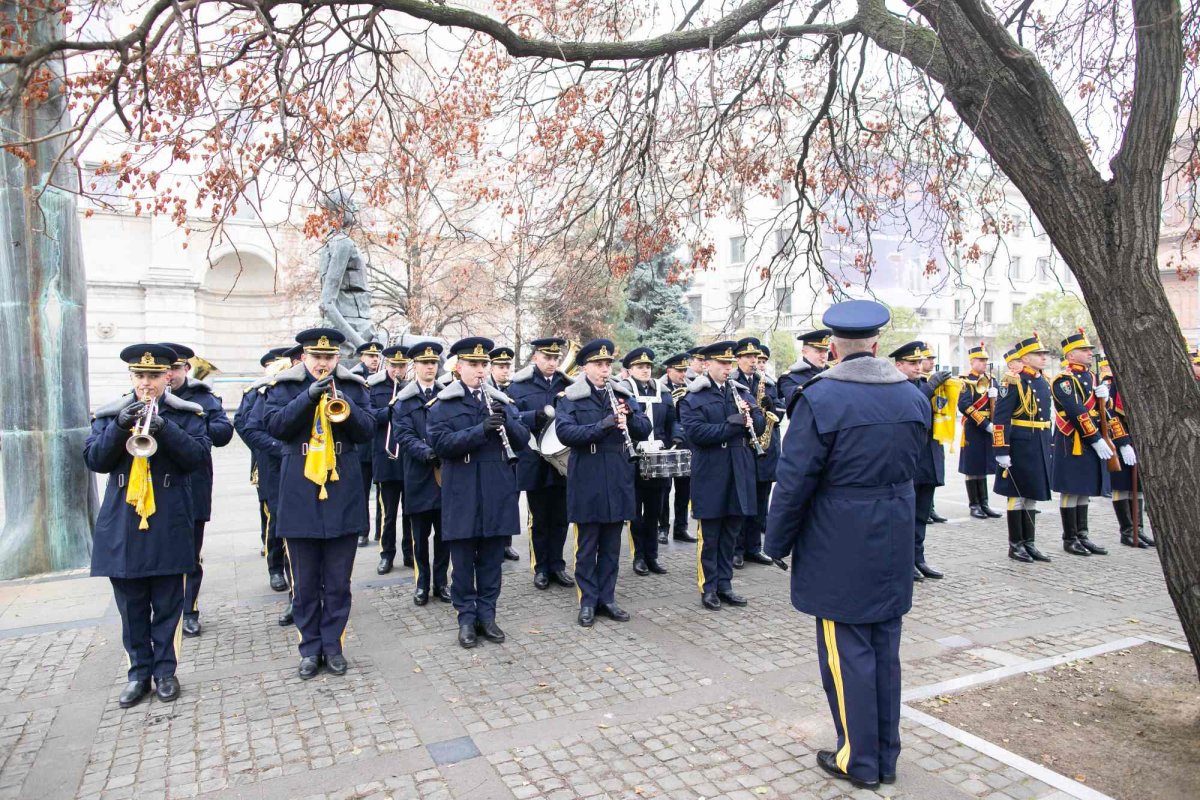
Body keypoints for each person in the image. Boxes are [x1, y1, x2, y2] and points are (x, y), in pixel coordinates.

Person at [764, 300, 928, 791]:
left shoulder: (821, 397)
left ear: (833, 348)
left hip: (838, 538)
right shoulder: (912, 396)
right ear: (876, 345)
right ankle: (885, 756)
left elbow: (794, 480)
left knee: (847, 654)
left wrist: (777, 541)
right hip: (894, 533)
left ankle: (859, 760)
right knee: (884, 651)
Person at [86, 344, 212, 707]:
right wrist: (120, 427)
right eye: (140, 375)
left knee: (169, 604)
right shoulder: (111, 414)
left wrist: (165, 428)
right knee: (132, 608)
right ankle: (138, 673)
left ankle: (166, 672)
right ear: (131, 377)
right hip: (123, 522)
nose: (147, 383)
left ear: (167, 376)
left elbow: (197, 458)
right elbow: (95, 459)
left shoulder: (186, 413)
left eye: (154, 376)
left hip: (168, 518)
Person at [263, 328, 374, 679]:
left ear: (337, 358)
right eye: (316, 357)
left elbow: (368, 430)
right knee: (305, 583)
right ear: (304, 358)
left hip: (343, 488)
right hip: (300, 488)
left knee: (338, 582)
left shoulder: (353, 386)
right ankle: (310, 648)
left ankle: (333, 645)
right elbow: (275, 426)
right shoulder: (284, 387)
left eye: (329, 357)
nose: (322, 363)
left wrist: (345, 405)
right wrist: (307, 398)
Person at [428, 337, 530, 648]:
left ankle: (487, 616)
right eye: (473, 364)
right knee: (462, 564)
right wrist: (481, 429)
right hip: (462, 493)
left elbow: (523, 440)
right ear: (458, 367)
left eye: (483, 364)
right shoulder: (443, 404)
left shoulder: (500, 400)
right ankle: (466, 619)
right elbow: (441, 445)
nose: (480, 369)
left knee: (491, 562)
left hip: (497, 491)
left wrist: (506, 421)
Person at [555, 339, 651, 626]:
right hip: (587, 475)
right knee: (587, 545)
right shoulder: (570, 397)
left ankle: (607, 598)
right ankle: (587, 601)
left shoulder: (621, 393)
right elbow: (566, 434)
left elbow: (645, 429)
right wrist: (604, 424)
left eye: (608, 364)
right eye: (598, 364)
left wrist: (629, 417)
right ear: (584, 367)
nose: (605, 369)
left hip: (618, 475)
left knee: (611, 545)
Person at [680, 341, 764, 610]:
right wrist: (732, 425)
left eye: (729, 363)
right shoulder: (694, 397)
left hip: (738, 468)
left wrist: (753, 416)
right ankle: (708, 587)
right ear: (707, 364)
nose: (727, 368)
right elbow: (696, 434)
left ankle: (725, 584)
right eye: (722, 363)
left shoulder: (739, 391)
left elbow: (760, 424)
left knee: (731, 532)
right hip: (711, 471)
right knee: (711, 535)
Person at [160, 343, 234, 638]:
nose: (169, 374)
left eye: (175, 368)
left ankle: (189, 611)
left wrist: (196, 425)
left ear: (186, 369)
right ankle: (163, 611)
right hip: (155, 488)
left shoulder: (203, 398)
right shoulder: (140, 398)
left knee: (190, 553)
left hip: (193, 484)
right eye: (164, 370)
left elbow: (224, 433)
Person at [1051, 329, 1129, 556]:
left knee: (1084, 488)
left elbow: (1104, 412)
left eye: (1089, 349)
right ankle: (1070, 538)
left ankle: (1083, 535)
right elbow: (1076, 411)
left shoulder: (1093, 378)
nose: (1088, 353)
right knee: (1071, 489)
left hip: (1090, 438)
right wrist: (1095, 439)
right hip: (1072, 440)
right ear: (1070, 355)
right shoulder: (1064, 380)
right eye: (1083, 350)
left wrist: (1121, 439)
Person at [506, 337, 575, 589]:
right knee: (539, 519)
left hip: (561, 459)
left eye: (556, 358)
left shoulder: (567, 384)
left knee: (561, 517)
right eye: (547, 357)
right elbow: (510, 417)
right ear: (535, 357)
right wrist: (532, 417)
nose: (552, 362)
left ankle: (557, 565)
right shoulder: (518, 386)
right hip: (534, 459)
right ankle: (541, 568)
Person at [391, 341, 452, 604]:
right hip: (418, 474)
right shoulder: (403, 400)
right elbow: (403, 435)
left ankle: (441, 583)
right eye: (425, 363)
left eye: (434, 363)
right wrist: (427, 452)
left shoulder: (447, 395)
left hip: (445, 476)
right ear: (414, 366)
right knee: (419, 537)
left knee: (445, 535)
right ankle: (421, 583)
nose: (430, 367)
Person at [993, 333, 1054, 563]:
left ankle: (1029, 543)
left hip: (1039, 442)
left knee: (1032, 494)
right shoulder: (1013, 381)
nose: (1043, 357)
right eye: (1038, 354)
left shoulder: (1042, 380)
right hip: (1020, 445)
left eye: (1044, 354)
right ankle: (1016, 545)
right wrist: (1001, 450)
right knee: (1017, 495)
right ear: (1025, 358)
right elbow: (1001, 418)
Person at [233, 347, 291, 593]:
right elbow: (244, 426)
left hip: (298, 464)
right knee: (274, 518)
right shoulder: (259, 392)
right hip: (270, 464)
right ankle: (275, 568)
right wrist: (268, 449)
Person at [890, 342, 948, 581]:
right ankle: (903, 562)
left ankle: (918, 558)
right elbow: (909, 406)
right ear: (898, 365)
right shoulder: (894, 387)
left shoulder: (923, 385)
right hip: (908, 460)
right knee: (905, 516)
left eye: (919, 362)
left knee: (922, 514)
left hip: (928, 457)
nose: (918, 366)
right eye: (912, 363)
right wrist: (931, 387)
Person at [621, 346, 675, 576]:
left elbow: (673, 421)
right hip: (633, 459)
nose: (645, 370)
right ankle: (639, 557)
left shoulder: (663, 392)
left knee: (654, 511)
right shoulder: (623, 391)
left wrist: (676, 437)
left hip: (658, 457)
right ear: (630, 370)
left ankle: (652, 557)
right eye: (640, 367)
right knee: (635, 513)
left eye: (648, 367)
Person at [732, 337, 779, 568]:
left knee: (761, 501)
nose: (754, 361)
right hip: (743, 447)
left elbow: (780, 410)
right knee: (742, 502)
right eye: (749, 357)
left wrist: (772, 406)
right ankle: (737, 549)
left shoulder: (766, 382)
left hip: (765, 448)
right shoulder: (732, 382)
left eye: (756, 357)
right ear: (738, 359)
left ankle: (754, 547)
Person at [1097, 355, 1152, 547]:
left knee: (1138, 485)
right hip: (1121, 438)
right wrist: (1123, 442)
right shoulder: (1113, 384)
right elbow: (1111, 416)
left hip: (1139, 438)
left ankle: (1139, 529)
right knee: (1122, 485)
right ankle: (1127, 531)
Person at [368, 345, 409, 574]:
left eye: (401, 366)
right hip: (386, 458)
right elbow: (368, 417)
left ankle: (410, 553)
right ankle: (386, 555)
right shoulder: (373, 388)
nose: (397, 370)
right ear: (387, 365)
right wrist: (390, 411)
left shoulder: (410, 388)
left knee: (411, 513)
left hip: (408, 459)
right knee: (388, 514)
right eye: (394, 366)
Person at [957, 343, 1001, 520]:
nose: (984, 363)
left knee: (983, 466)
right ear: (972, 362)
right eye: (981, 360)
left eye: (985, 360)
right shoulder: (965, 381)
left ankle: (984, 503)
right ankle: (974, 504)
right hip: (974, 428)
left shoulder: (992, 380)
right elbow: (965, 406)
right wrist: (985, 424)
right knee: (972, 466)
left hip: (988, 427)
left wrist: (996, 396)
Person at [656, 352, 696, 544]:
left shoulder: (691, 388)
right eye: (679, 371)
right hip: (667, 444)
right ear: (669, 371)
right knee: (664, 489)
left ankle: (681, 528)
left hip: (686, 444)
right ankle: (662, 528)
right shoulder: (660, 389)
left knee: (684, 490)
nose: (683, 374)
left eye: (684, 370)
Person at [489, 345, 522, 562]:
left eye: (507, 367)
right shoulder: (489, 390)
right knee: (495, 501)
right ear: (491, 368)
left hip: (511, 453)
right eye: (500, 367)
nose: (505, 370)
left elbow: (519, 417)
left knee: (511, 500)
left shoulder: (511, 390)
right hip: (493, 455)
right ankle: (495, 544)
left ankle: (506, 543)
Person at [351, 341, 384, 547]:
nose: (374, 359)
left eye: (377, 356)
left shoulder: (383, 377)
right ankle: (362, 531)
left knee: (382, 492)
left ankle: (381, 531)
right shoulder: (355, 378)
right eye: (370, 356)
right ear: (361, 357)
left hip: (380, 444)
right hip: (363, 445)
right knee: (361, 491)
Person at [778, 328, 831, 414]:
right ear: (804, 352)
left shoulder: (832, 373)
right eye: (818, 351)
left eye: (826, 351)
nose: (824, 356)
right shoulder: (790, 378)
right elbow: (797, 404)